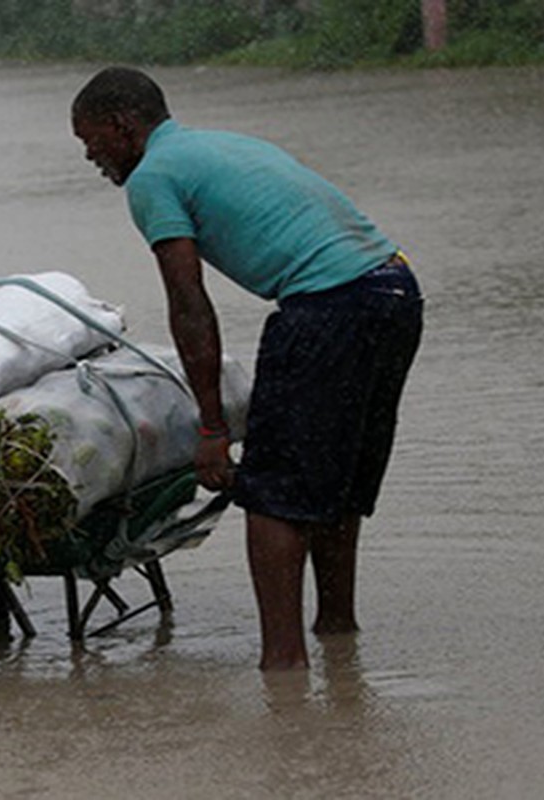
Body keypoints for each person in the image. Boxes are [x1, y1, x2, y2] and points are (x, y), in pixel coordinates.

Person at [70, 67, 423, 670]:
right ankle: (338, 636)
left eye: (91, 141)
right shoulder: (224, 144)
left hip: (327, 305)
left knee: (272, 494)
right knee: (337, 481)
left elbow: (189, 304)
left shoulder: (153, 177)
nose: (91, 157)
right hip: (393, 291)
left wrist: (211, 428)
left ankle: (282, 668)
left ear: (122, 125)